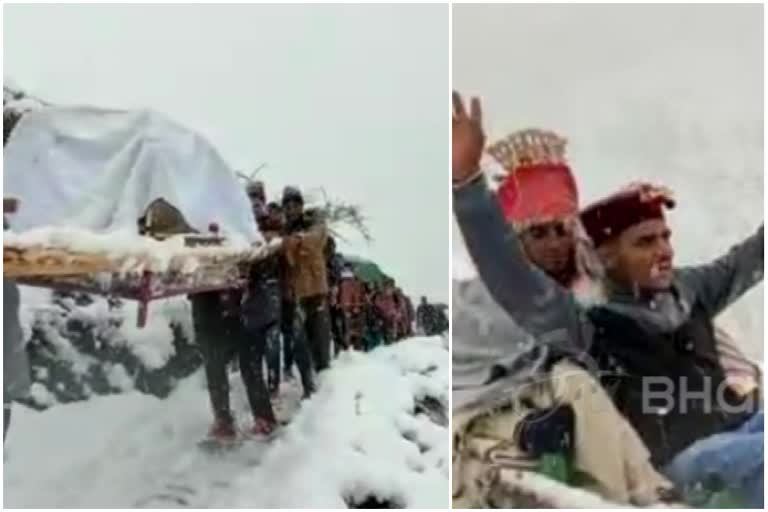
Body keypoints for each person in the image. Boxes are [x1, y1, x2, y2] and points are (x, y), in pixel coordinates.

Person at [452, 92, 763, 506]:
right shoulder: (586, 322)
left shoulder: (689, 289)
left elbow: (747, 260)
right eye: (645, 242)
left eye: (666, 237)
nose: (664, 250)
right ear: (605, 255)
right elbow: (512, 280)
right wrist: (468, 187)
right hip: (684, 467)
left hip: (739, 426)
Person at [452, 113, 673, 506]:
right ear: (513, 238)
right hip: (497, 430)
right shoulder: (488, 298)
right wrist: (468, 186)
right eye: (538, 232)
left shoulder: (599, 293)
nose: (554, 244)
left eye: (561, 230)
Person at [282, 186, 334, 373]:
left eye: (294, 204)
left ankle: (325, 382)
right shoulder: (284, 229)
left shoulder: (312, 222)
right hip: (296, 295)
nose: (290, 208)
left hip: (316, 290)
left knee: (319, 340)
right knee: (301, 345)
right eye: (286, 205)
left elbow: (315, 239)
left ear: (301, 206)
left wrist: (293, 241)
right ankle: (311, 384)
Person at [338, 264, 366, 350]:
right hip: (347, 309)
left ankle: (353, 350)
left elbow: (358, 296)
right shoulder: (343, 283)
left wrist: (356, 306)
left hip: (351, 309)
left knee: (352, 331)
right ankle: (350, 350)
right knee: (348, 331)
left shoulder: (355, 284)